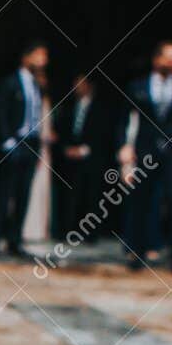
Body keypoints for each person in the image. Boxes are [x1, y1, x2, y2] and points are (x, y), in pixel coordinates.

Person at [118, 40, 172, 270]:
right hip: (145, 148)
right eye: (171, 57)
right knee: (140, 199)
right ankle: (136, 251)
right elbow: (126, 119)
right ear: (157, 59)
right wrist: (125, 146)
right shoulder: (138, 86)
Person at [0, 41, 48, 258]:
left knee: (24, 194)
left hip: (31, 144)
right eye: (38, 56)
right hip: (12, 143)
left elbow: (37, 115)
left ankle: (15, 240)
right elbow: (1, 113)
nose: (42, 61)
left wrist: (38, 147)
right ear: (26, 57)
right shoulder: (9, 83)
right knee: (4, 194)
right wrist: (6, 141)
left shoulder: (37, 86)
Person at [51, 72, 116, 241]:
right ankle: (67, 230)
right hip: (70, 159)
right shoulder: (69, 107)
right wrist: (66, 148)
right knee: (69, 196)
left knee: (91, 197)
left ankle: (89, 233)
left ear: (89, 86)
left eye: (80, 84)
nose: (76, 88)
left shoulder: (102, 108)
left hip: (92, 160)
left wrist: (85, 150)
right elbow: (61, 130)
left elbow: (105, 134)